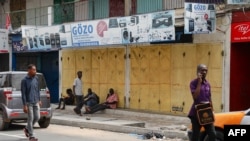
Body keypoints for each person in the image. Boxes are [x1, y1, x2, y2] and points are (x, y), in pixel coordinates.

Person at [188, 64, 216, 141]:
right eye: (202, 70)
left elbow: (209, 98)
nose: (204, 72)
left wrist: (212, 111)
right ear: (198, 71)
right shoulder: (193, 83)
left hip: (207, 112)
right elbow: (195, 97)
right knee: (195, 136)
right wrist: (199, 82)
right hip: (196, 113)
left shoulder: (208, 84)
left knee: (213, 134)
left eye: (205, 70)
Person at [21, 64, 41, 141]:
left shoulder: (36, 79)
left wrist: (39, 100)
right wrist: (24, 105)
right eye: (33, 70)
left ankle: (26, 128)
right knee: (30, 118)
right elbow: (23, 93)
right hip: (28, 102)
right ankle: (31, 136)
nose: (35, 71)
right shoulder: (24, 80)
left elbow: (37, 90)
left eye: (35, 70)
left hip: (35, 101)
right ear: (29, 70)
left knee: (37, 117)